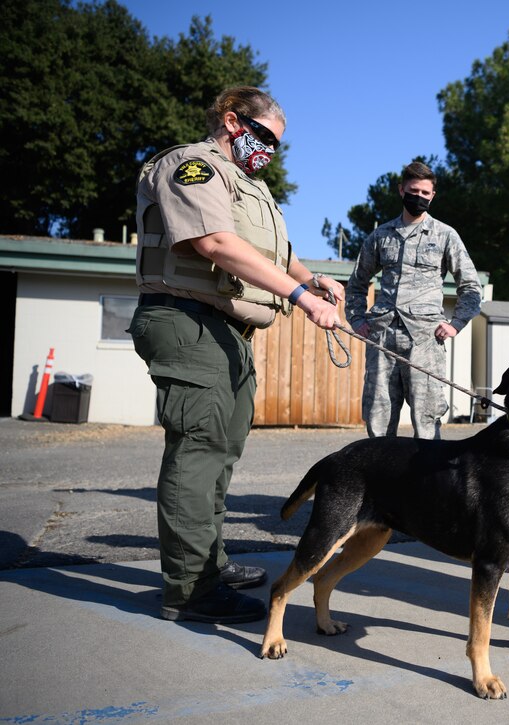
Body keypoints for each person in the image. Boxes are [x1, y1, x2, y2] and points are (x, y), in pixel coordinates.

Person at [129, 86, 343, 624]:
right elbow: (217, 245)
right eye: (265, 136)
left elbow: (274, 252)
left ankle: (210, 565)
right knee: (198, 451)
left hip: (226, 332)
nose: (270, 150)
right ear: (232, 121)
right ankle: (190, 592)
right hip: (185, 320)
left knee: (221, 452)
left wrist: (310, 279)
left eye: (278, 144)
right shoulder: (193, 168)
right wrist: (300, 300)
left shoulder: (249, 186)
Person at [345, 161, 482, 440]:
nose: (418, 196)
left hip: (425, 340)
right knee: (378, 416)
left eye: (424, 192)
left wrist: (456, 324)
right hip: (382, 337)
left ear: (433, 196)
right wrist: (357, 320)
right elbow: (357, 283)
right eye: (413, 190)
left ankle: (427, 484)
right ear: (401, 190)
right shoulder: (380, 236)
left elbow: (471, 287)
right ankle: (381, 483)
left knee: (426, 419)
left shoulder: (445, 236)